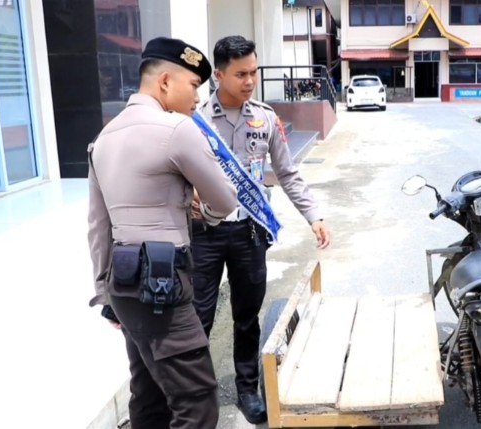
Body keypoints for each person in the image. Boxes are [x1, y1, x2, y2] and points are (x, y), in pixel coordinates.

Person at [87, 37, 239, 429]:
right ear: (166, 82)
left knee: (149, 393)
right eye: (193, 86)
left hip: (124, 284)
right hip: (163, 285)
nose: (197, 98)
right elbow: (225, 200)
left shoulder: (103, 139)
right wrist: (200, 207)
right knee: (197, 400)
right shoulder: (177, 130)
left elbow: (99, 227)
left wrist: (105, 293)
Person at [190, 35, 331, 424]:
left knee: (247, 315)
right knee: (199, 317)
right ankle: (200, 396)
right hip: (203, 234)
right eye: (240, 74)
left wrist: (313, 215)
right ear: (218, 75)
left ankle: (248, 388)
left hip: (249, 234)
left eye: (253, 71)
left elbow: (287, 172)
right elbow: (175, 172)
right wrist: (187, 198)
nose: (250, 80)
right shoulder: (194, 118)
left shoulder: (265, 118)